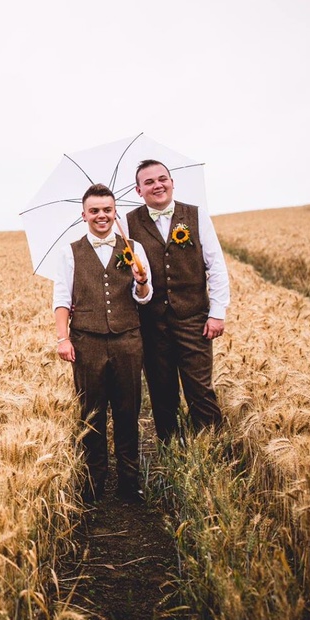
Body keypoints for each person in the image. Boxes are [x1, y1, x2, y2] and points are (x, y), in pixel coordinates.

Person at [54, 183, 153, 503]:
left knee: (128, 411)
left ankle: (129, 482)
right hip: (87, 343)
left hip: (127, 340)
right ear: (84, 215)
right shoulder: (70, 252)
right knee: (92, 414)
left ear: (115, 213)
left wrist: (141, 282)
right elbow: (62, 299)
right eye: (94, 210)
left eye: (107, 210)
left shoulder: (133, 247)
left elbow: (145, 298)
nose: (101, 216)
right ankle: (94, 482)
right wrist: (63, 338)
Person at [126, 159, 229, 443]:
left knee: (201, 390)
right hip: (152, 324)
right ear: (138, 190)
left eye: (162, 179)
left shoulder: (196, 216)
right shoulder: (127, 224)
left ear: (172, 182)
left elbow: (216, 266)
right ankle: (172, 451)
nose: (157, 185)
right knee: (162, 392)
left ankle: (213, 451)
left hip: (194, 319)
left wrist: (217, 313)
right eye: (149, 182)